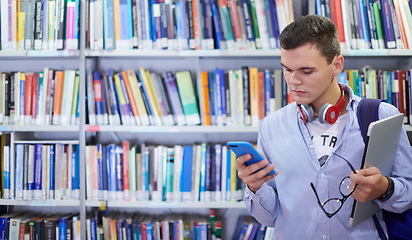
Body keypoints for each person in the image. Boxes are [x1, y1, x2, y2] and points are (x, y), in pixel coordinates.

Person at [235, 15, 412, 239]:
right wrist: (254, 188)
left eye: (306, 71)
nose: (293, 81)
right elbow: (269, 218)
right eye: (287, 69)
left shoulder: (381, 116)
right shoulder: (271, 126)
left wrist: (386, 188)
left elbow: (408, 194)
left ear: (336, 65)